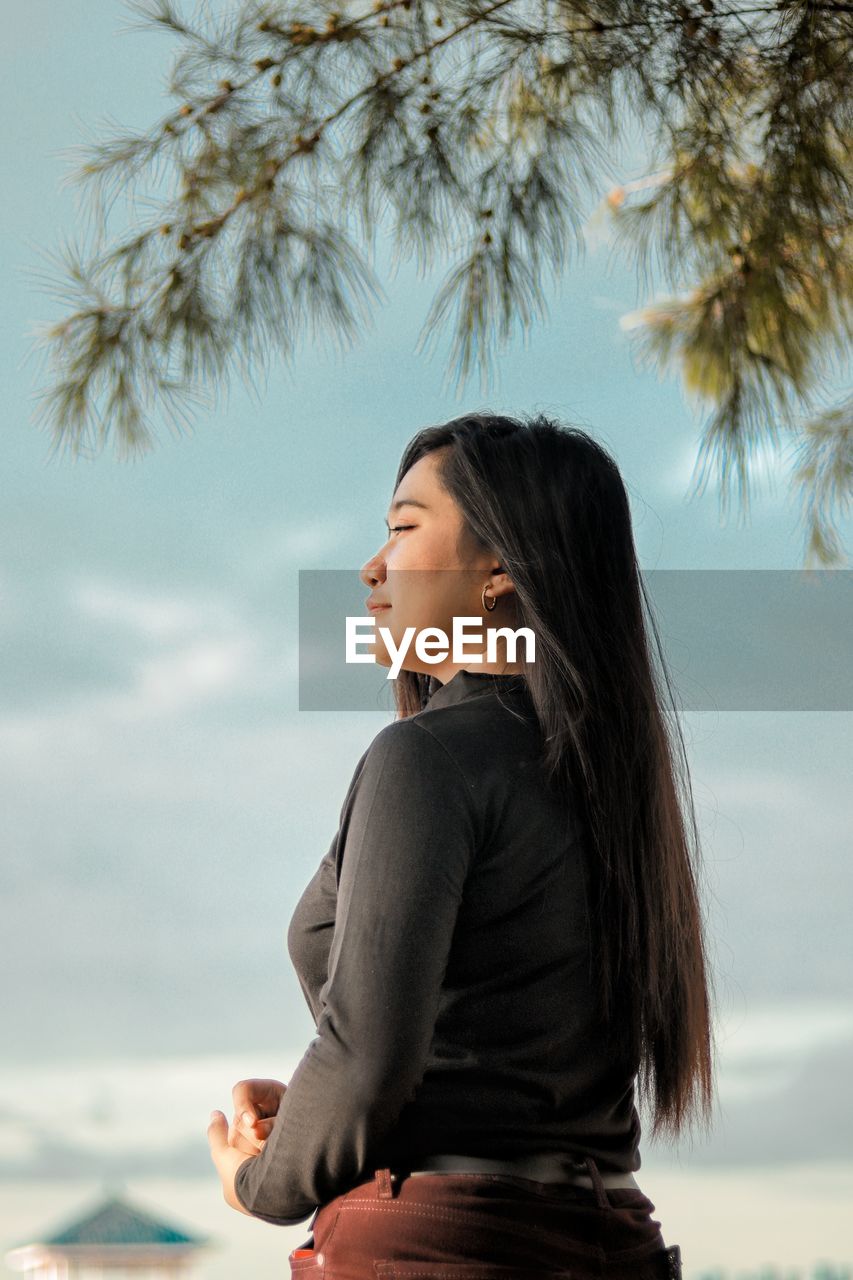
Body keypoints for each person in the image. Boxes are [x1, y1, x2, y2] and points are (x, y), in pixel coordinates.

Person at [207, 412, 716, 1278]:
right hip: (609, 1237)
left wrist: (260, 1178)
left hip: (435, 1244)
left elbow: (365, 1053)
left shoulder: (427, 757)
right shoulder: (614, 779)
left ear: (500, 570)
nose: (371, 569)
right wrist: (315, 1128)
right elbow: (491, 1069)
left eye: (404, 528)